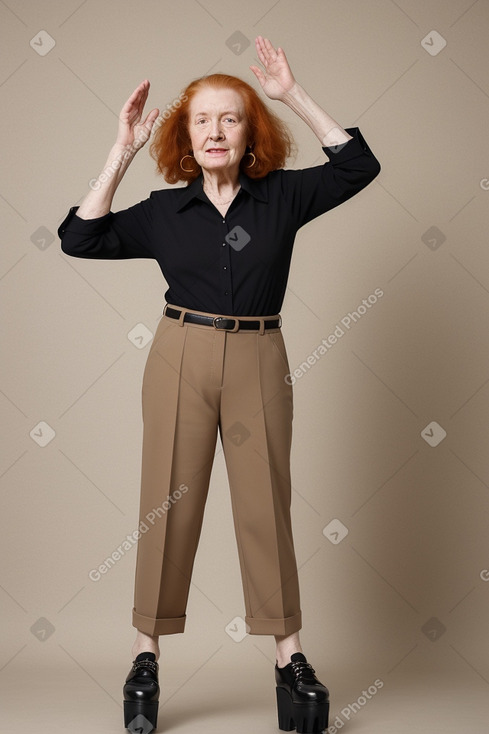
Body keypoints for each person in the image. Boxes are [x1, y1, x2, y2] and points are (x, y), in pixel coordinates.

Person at [58, 36, 380, 734]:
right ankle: (144, 656)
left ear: (250, 130)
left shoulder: (284, 197)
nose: (213, 130)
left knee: (265, 507)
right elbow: (79, 238)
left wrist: (292, 92)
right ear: (183, 132)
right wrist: (121, 148)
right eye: (200, 119)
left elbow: (358, 165)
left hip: (260, 355)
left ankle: (288, 660)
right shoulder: (162, 213)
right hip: (180, 353)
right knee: (166, 503)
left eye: (229, 118)